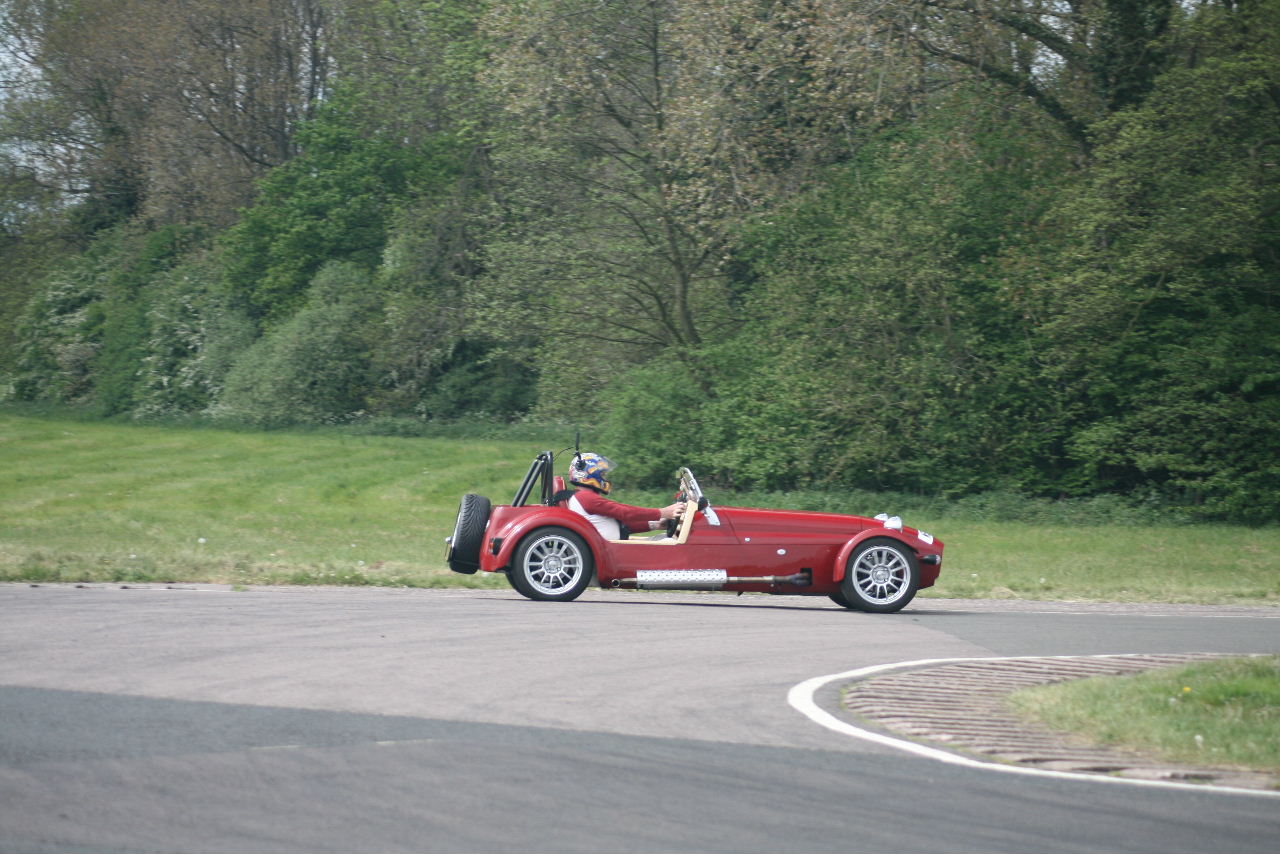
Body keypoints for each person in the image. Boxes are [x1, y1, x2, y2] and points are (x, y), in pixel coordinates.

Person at [553, 452, 685, 540]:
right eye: (603, 474)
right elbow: (625, 512)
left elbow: (617, 525)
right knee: (669, 542)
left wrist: (656, 524)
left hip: (613, 549)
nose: (605, 478)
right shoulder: (586, 498)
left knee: (664, 538)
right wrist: (664, 512)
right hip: (613, 553)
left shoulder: (581, 497)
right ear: (589, 474)